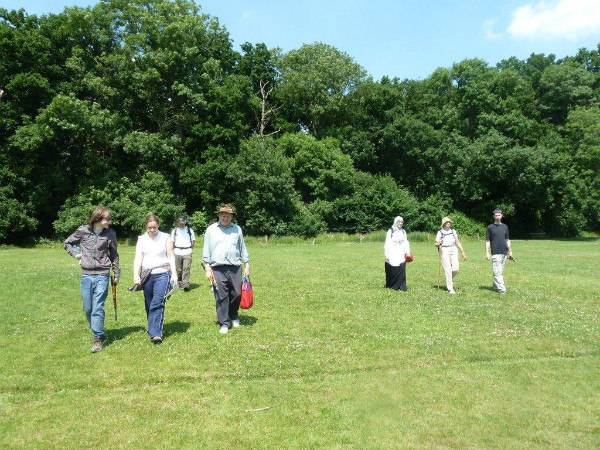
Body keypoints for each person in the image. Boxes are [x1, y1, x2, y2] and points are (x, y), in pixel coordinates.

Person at [63, 206, 120, 353]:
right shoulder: (83, 231)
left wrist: (116, 274)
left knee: (98, 307)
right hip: (86, 275)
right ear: (97, 218)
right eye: (107, 219)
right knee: (88, 308)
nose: (109, 221)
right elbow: (67, 243)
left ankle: (97, 338)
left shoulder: (110, 234)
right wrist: (76, 254)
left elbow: (114, 255)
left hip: (102, 274)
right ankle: (97, 328)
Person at [202, 204, 250, 334]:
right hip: (217, 268)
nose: (225, 218)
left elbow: (242, 247)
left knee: (237, 293)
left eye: (228, 215)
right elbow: (206, 250)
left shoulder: (237, 229)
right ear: (219, 216)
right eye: (223, 215)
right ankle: (224, 322)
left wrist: (247, 264)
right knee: (221, 296)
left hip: (235, 267)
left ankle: (233, 314)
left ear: (231, 217)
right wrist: (207, 268)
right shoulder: (211, 230)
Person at [133, 213, 177, 343]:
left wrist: (174, 274)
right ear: (146, 227)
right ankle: (152, 326)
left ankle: (156, 333)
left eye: (154, 228)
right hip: (147, 275)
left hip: (162, 273)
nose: (152, 230)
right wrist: (136, 274)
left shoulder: (166, 237)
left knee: (158, 302)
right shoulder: (141, 239)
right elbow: (138, 258)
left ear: (158, 226)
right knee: (149, 303)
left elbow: (170, 256)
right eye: (149, 228)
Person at [435, 217, 467, 294]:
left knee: (455, 269)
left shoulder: (453, 231)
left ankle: (448, 279)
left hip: (453, 249)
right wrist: (439, 243)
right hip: (444, 250)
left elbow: (457, 242)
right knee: (448, 269)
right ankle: (450, 288)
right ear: (444, 224)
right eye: (447, 222)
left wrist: (462, 252)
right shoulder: (440, 232)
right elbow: (436, 243)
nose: (449, 223)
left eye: (449, 222)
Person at [485, 209, 513, 294]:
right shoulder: (490, 227)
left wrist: (510, 251)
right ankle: (502, 289)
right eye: (496, 215)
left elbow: (507, 239)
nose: (497, 216)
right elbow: (487, 241)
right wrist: (487, 252)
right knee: (497, 272)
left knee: (500, 272)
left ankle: (495, 286)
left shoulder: (505, 227)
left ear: (502, 215)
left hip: (504, 253)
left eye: (499, 215)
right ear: (494, 216)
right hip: (495, 253)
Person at [384, 216, 411, 291]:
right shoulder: (390, 231)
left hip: (401, 251)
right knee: (393, 267)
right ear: (396, 222)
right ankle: (393, 285)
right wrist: (387, 253)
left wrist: (407, 252)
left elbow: (406, 242)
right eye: (399, 222)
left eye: (401, 222)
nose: (400, 223)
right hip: (393, 251)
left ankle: (401, 286)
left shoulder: (403, 231)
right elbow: (387, 242)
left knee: (401, 268)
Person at [170, 216, 196, 291]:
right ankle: (180, 283)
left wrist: (190, 248)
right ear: (177, 223)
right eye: (180, 223)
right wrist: (172, 251)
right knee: (179, 270)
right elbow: (172, 242)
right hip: (177, 252)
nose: (182, 225)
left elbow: (193, 241)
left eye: (183, 223)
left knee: (186, 268)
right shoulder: (174, 231)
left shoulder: (189, 230)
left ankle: (186, 285)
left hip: (187, 251)